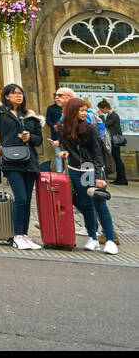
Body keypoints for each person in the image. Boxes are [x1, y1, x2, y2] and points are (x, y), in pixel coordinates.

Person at [57, 97, 119, 253]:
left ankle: (110, 240)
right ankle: (92, 237)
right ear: (73, 111)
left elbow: (98, 155)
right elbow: (64, 143)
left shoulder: (90, 128)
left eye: (86, 110)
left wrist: (98, 176)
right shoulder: (62, 126)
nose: (85, 113)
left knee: (99, 204)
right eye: (82, 110)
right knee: (85, 205)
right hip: (75, 169)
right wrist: (64, 151)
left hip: (90, 169)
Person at [0, 83, 43, 251]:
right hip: (11, 161)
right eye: (15, 93)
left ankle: (24, 235)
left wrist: (29, 138)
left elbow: (39, 140)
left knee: (26, 200)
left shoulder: (29, 115)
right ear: (7, 96)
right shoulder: (0, 113)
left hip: (29, 161)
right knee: (20, 198)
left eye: (21, 93)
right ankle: (17, 235)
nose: (19, 96)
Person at [99, 99, 128, 185]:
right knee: (116, 159)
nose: (101, 111)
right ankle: (119, 178)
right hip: (112, 140)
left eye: (101, 109)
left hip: (115, 141)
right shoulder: (110, 115)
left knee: (117, 160)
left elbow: (105, 125)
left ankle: (122, 179)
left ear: (105, 108)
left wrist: (101, 116)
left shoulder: (113, 116)